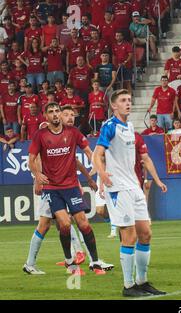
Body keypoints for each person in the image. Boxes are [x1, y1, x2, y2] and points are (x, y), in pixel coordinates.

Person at [93, 89, 168, 297]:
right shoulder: (109, 126)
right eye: (123, 101)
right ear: (114, 105)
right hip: (118, 188)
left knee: (146, 233)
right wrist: (103, 175)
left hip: (134, 186)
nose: (128, 103)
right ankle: (128, 286)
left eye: (129, 100)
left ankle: (142, 281)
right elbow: (96, 155)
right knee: (129, 235)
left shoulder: (130, 126)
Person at [27, 103, 107, 275]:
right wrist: (37, 175)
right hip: (52, 187)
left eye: (57, 111)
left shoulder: (73, 133)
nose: (55, 114)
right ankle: (70, 263)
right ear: (46, 116)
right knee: (64, 224)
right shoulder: (40, 135)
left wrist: (98, 168)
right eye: (51, 112)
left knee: (84, 224)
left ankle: (95, 262)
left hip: (71, 186)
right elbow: (31, 159)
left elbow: (88, 152)